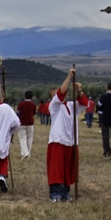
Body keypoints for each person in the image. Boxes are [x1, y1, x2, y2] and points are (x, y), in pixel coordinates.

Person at [46, 71, 88, 202]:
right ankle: (55, 193)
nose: (57, 96)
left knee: (68, 168)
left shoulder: (71, 105)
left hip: (71, 141)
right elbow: (61, 93)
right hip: (58, 140)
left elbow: (84, 102)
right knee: (57, 168)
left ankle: (65, 192)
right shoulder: (53, 106)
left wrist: (79, 90)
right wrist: (69, 77)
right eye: (54, 95)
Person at [15, 90, 37, 159]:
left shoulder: (20, 104)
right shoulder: (33, 105)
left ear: (25, 96)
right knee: (29, 138)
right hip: (30, 123)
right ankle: (28, 154)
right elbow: (33, 113)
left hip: (22, 123)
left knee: (22, 138)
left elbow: (18, 113)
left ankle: (25, 152)